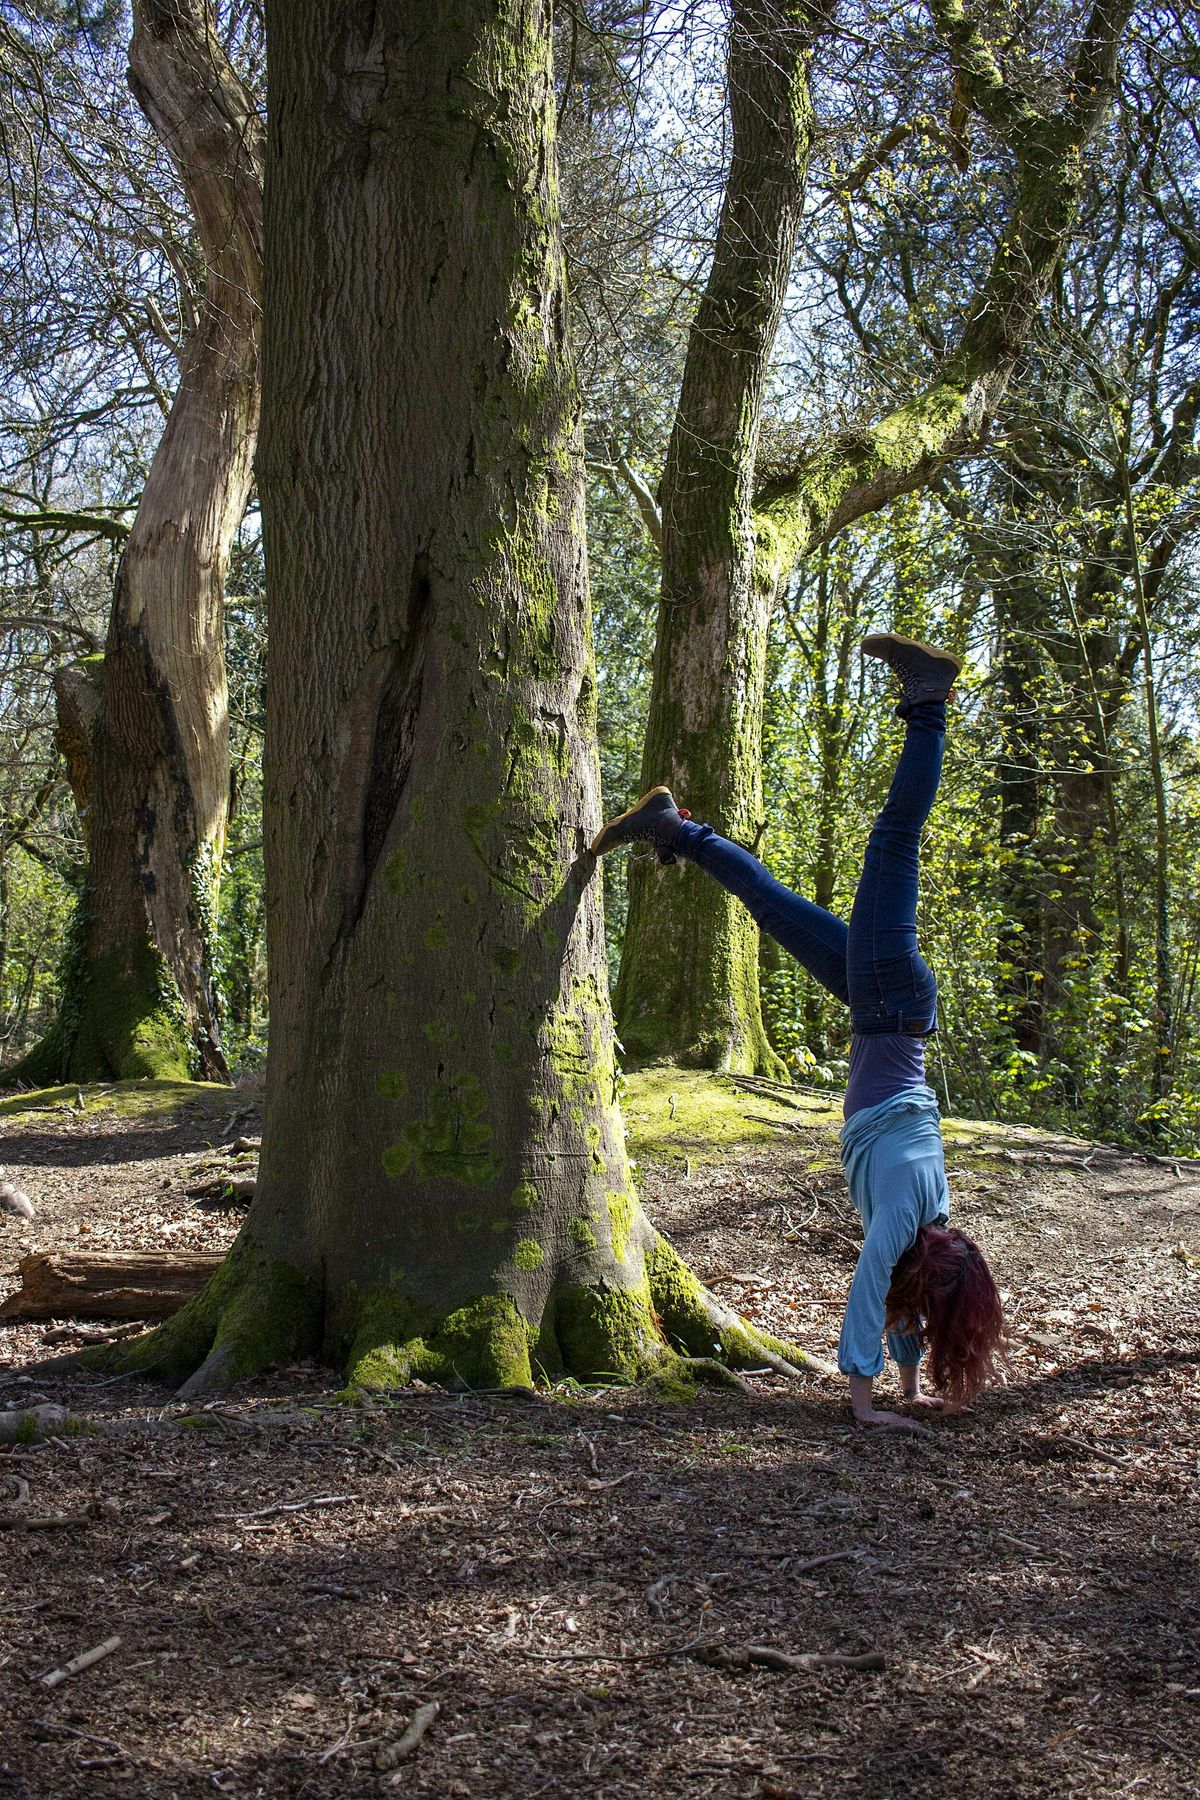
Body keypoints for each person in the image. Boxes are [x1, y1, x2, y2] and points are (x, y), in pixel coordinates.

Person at [592, 633, 1005, 1430]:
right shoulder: (904, 1220)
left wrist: (913, 1389)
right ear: (933, 1262)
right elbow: (873, 1287)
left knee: (772, 907)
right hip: (889, 998)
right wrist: (865, 1402)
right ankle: (929, 700)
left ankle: (675, 828)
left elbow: (908, 1295)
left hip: (882, 1006)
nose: (912, 1291)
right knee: (894, 840)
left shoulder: (931, 1226)